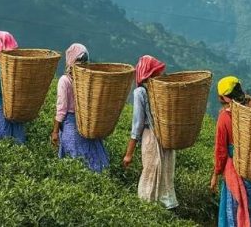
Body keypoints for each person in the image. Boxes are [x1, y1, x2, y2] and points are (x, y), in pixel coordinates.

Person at [121, 55, 177, 209]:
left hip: (151, 138)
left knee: (151, 174)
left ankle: (147, 209)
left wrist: (129, 154)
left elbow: (137, 124)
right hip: (166, 137)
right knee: (165, 175)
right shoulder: (162, 90)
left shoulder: (140, 92)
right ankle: (164, 209)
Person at [210, 76, 251, 227]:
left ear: (225, 98)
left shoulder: (224, 118)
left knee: (233, 213)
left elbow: (221, 151)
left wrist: (215, 175)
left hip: (235, 170)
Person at [51, 43, 109, 172]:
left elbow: (61, 109)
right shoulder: (77, 81)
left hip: (80, 125)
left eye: (84, 61)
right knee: (85, 164)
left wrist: (55, 131)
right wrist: (56, 131)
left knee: (76, 166)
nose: (82, 64)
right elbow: (62, 109)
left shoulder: (67, 80)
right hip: (81, 125)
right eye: (79, 60)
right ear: (72, 60)